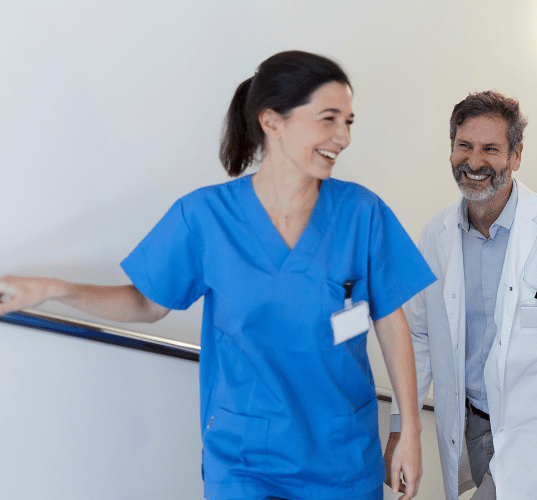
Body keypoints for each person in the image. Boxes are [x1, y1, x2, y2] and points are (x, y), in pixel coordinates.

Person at [0, 51, 434, 500]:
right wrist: (53, 290)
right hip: (244, 459)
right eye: (329, 119)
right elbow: (147, 304)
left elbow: (390, 320)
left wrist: (410, 433)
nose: (343, 137)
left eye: (349, 121)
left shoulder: (362, 213)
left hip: (341, 457)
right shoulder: (205, 217)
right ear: (272, 121)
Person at [385, 90, 537, 500]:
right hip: (472, 425)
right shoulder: (435, 236)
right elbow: (417, 336)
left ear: (516, 156)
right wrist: (401, 427)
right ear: (451, 149)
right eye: (464, 146)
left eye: (491, 149)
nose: (474, 162)